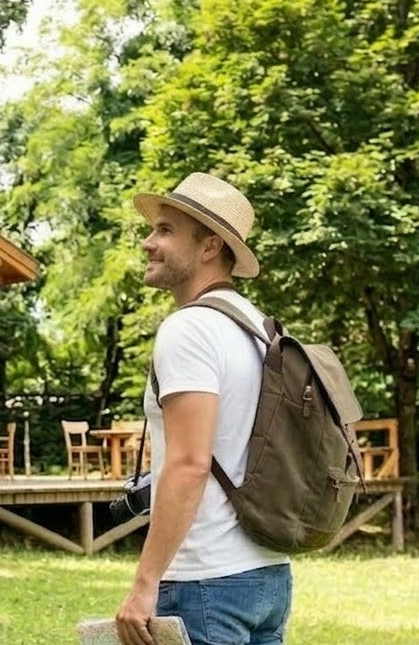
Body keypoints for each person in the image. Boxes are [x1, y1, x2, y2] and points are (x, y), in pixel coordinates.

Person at [115, 172, 292, 645]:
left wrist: (145, 582)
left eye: (166, 230)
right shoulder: (260, 329)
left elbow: (190, 464)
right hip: (268, 573)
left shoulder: (189, 329)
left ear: (211, 245)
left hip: (204, 581)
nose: (148, 243)